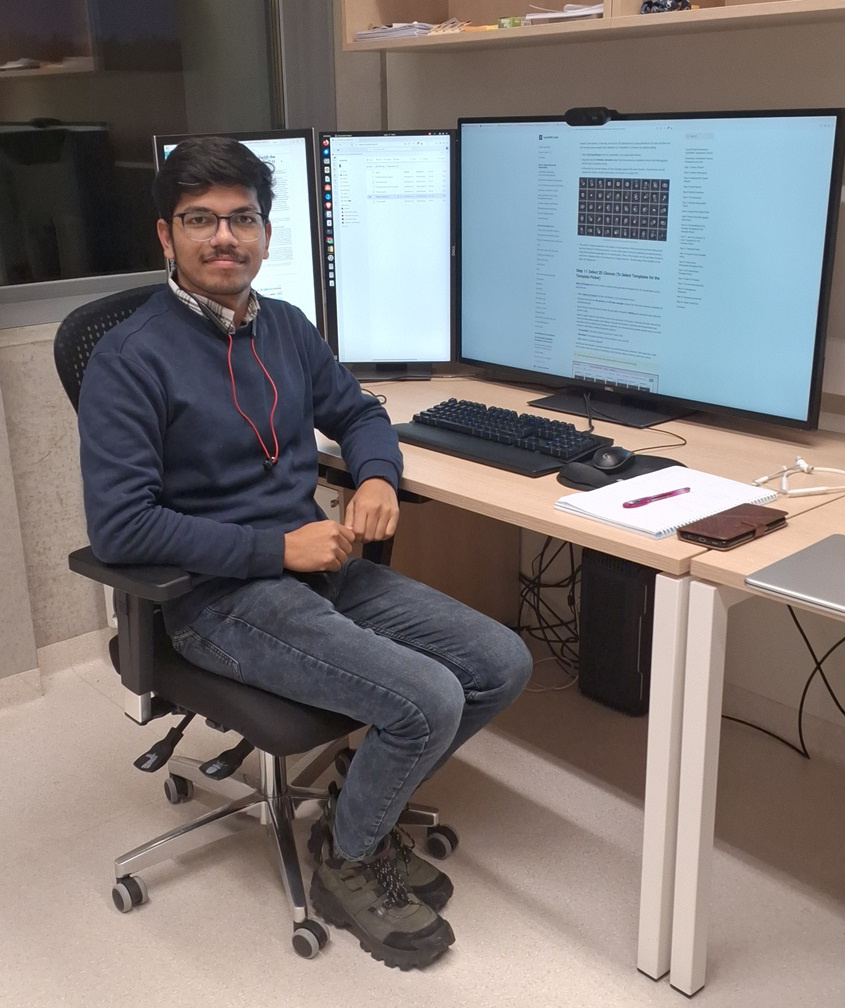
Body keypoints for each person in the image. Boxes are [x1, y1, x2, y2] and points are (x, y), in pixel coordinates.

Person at [77, 136, 532, 970]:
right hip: (215, 599)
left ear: (267, 231)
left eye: (242, 218)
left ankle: (361, 799)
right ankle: (347, 860)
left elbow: (357, 412)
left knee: (500, 661)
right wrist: (275, 547)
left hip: (318, 567)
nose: (225, 238)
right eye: (201, 220)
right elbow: (121, 529)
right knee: (428, 696)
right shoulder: (130, 360)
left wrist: (378, 477)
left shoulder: (284, 326)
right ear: (164, 237)